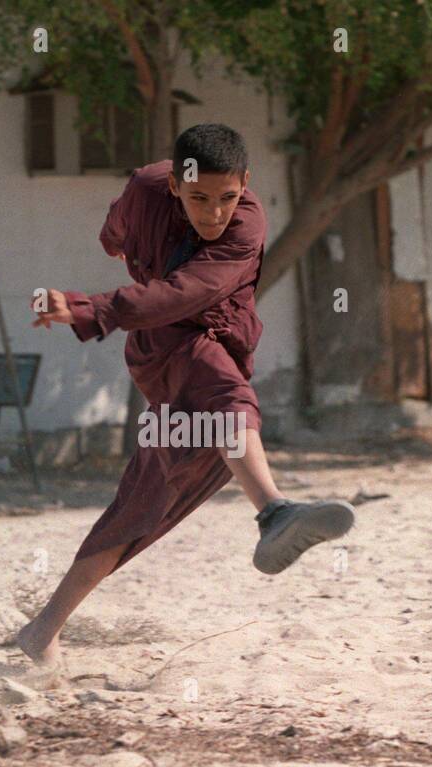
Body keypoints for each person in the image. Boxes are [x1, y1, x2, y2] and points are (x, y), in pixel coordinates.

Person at [19, 123, 354, 668]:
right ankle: (273, 511)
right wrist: (93, 300)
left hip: (213, 336)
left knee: (143, 500)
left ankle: (43, 629)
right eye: (198, 198)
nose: (214, 213)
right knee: (226, 393)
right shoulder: (144, 190)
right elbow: (114, 233)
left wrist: (89, 306)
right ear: (175, 184)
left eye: (226, 197)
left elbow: (188, 290)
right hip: (167, 350)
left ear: (245, 183)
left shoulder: (247, 224)